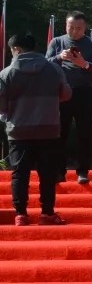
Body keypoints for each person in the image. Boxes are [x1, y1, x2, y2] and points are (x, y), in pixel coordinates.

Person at [0, 34, 71, 226]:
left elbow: (2, 106)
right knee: (47, 173)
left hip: (18, 130)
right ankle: (47, 213)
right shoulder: (54, 69)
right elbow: (66, 94)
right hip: (48, 128)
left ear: (16, 49)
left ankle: (21, 214)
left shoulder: (6, 74)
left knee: (19, 173)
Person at [45, 11, 92, 185]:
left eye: (79, 28)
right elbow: (45, 64)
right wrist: (59, 57)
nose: (74, 31)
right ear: (66, 25)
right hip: (61, 92)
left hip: (84, 92)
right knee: (59, 132)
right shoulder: (57, 42)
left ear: (84, 28)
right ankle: (59, 171)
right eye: (71, 27)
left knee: (85, 132)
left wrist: (84, 64)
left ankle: (83, 171)